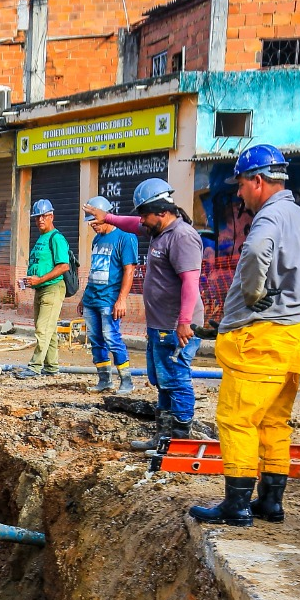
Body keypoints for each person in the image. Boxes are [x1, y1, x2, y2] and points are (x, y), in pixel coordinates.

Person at [190, 144, 300, 527]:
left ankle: (237, 505)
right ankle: (271, 502)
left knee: (237, 419)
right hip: (293, 336)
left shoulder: (268, 220)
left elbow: (258, 251)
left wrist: (253, 293)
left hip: (262, 339)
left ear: (257, 180)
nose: (239, 192)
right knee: (274, 421)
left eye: (241, 184)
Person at [86, 180, 204, 450]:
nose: (141, 221)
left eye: (144, 215)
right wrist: (109, 218)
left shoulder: (181, 236)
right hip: (159, 325)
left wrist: (185, 322)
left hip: (176, 327)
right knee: (161, 380)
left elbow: (190, 283)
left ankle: (180, 440)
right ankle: (163, 437)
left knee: (175, 379)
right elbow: (130, 224)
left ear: (161, 211)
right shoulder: (158, 232)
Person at [79, 195, 138, 395]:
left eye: (95, 220)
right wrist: (83, 297)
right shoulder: (97, 239)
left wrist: (121, 300)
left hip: (109, 299)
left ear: (106, 216)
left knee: (112, 337)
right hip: (92, 299)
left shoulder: (125, 237)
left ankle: (126, 381)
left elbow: (129, 270)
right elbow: (95, 270)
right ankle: (104, 379)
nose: (93, 225)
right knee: (96, 339)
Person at [14, 199, 71, 379]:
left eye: (44, 216)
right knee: (49, 329)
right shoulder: (41, 239)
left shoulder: (57, 238)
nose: (40, 220)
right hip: (40, 289)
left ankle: (34, 366)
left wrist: (40, 279)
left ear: (51, 216)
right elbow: (41, 264)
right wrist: (30, 280)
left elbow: (63, 266)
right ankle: (52, 367)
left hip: (52, 289)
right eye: (37, 217)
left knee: (42, 329)